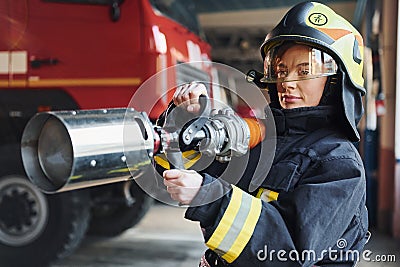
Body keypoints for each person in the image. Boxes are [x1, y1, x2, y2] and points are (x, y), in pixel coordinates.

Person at [161, 2, 369, 266]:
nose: (287, 82)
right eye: (281, 70)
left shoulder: (339, 164)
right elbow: (181, 167)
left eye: (304, 71)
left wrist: (208, 197)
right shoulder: (264, 139)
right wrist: (184, 120)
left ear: (336, 81)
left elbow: (288, 250)